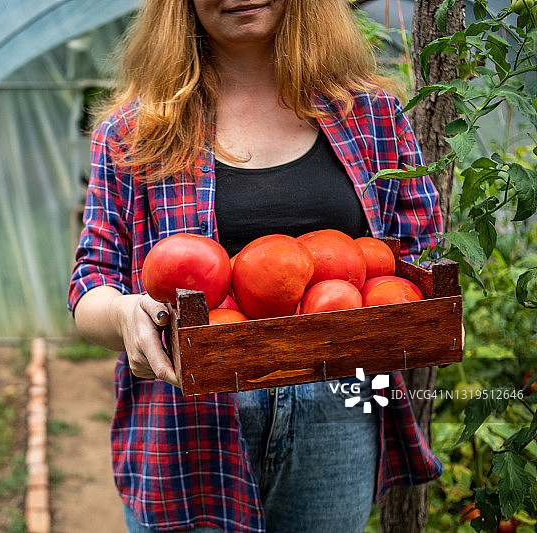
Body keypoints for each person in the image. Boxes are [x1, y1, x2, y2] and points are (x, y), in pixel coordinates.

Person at [67, 1, 444, 532]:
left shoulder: (372, 117)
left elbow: (418, 255)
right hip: (188, 423)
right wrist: (124, 313)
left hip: (337, 410)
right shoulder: (135, 132)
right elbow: (91, 283)